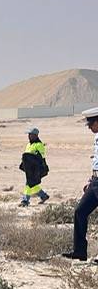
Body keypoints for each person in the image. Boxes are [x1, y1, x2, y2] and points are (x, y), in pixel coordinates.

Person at [63, 107, 98, 262]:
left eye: (91, 124)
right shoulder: (97, 138)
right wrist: (91, 180)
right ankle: (80, 252)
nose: (89, 127)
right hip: (95, 181)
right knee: (80, 211)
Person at [19, 128, 49, 208]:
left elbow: (41, 157)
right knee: (32, 183)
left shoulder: (39, 145)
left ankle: (25, 201)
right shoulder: (28, 145)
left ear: (35, 135)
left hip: (36, 168)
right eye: (28, 135)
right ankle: (43, 195)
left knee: (29, 183)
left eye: (30, 135)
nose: (28, 136)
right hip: (28, 168)